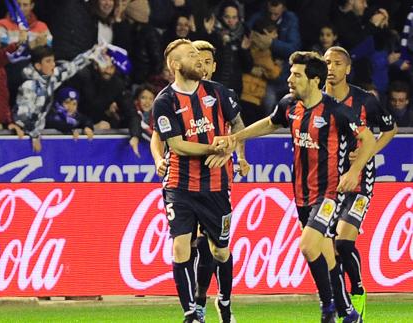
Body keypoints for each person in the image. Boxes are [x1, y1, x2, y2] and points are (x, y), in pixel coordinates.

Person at [213, 51, 376, 323]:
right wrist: (235, 137)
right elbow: (269, 123)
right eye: (291, 73)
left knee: (308, 246)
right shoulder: (290, 105)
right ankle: (348, 312)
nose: (289, 78)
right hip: (301, 195)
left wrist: (355, 171)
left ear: (314, 80)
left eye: (296, 74)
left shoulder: (336, 110)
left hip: (329, 194)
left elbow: (368, 139)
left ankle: (327, 309)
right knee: (326, 255)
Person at [153, 38, 246, 323]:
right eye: (192, 55)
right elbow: (177, 145)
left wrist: (231, 147)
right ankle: (192, 313)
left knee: (219, 250)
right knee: (181, 246)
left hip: (216, 185)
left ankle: (225, 301)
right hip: (179, 185)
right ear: (175, 65)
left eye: (201, 55)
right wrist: (214, 148)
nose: (199, 60)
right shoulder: (164, 101)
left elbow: (239, 126)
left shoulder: (219, 93)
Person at [324, 46, 397, 320]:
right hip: (327, 184)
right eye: (327, 62)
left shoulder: (365, 101)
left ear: (348, 68)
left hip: (358, 182)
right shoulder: (315, 101)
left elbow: (390, 129)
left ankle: (357, 292)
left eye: (337, 63)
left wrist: (369, 152)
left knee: (343, 243)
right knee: (327, 250)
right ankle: (337, 304)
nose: (331, 68)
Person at [13, 44, 96, 152]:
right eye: (48, 61)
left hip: (39, 134)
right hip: (24, 137)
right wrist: (34, 135)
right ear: (38, 66)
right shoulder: (29, 86)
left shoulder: (50, 79)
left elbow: (72, 66)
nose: (53, 64)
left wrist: (93, 52)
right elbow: (23, 117)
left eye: (53, 60)